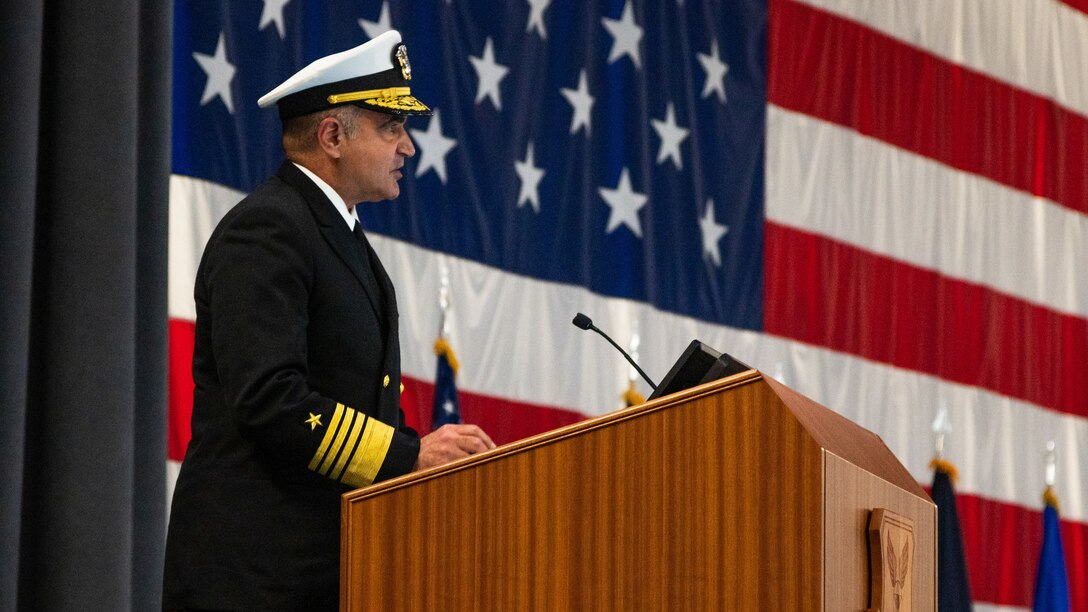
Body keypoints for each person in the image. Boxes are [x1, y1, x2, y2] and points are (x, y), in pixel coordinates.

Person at [163, 31, 495, 611]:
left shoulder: (334, 234)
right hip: (255, 576)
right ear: (332, 136)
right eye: (392, 128)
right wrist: (408, 454)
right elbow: (272, 400)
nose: (408, 148)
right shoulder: (268, 230)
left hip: (323, 571)